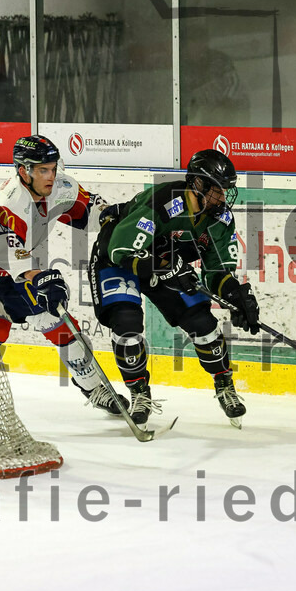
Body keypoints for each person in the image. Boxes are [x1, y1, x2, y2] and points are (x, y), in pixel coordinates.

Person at [87, 149, 261, 426]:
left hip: (163, 262)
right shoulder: (163, 202)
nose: (222, 197)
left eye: (225, 190)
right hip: (118, 260)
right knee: (127, 322)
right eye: (217, 190)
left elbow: (217, 270)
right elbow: (122, 249)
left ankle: (224, 385)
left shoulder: (219, 220)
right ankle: (139, 393)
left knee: (202, 323)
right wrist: (163, 267)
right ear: (197, 184)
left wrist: (235, 296)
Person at [0, 135, 127, 415]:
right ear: (23, 171)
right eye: (43, 170)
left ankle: (94, 387)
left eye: (53, 167)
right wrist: (39, 276)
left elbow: (89, 210)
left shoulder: (59, 186)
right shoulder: (5, 205)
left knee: (59, 321)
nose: (51, 176)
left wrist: (111, 218)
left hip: (16, 263)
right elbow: (8, 253)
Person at [183, 26, 250, 126]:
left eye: (202, 41)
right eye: (194, 41)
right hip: (204, 116)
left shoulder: (220, 59)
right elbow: (184, 97)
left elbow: (234, 83)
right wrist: (192, 107)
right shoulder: (182, 66)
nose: (199, 45)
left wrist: (224, 105)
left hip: (230, 112)